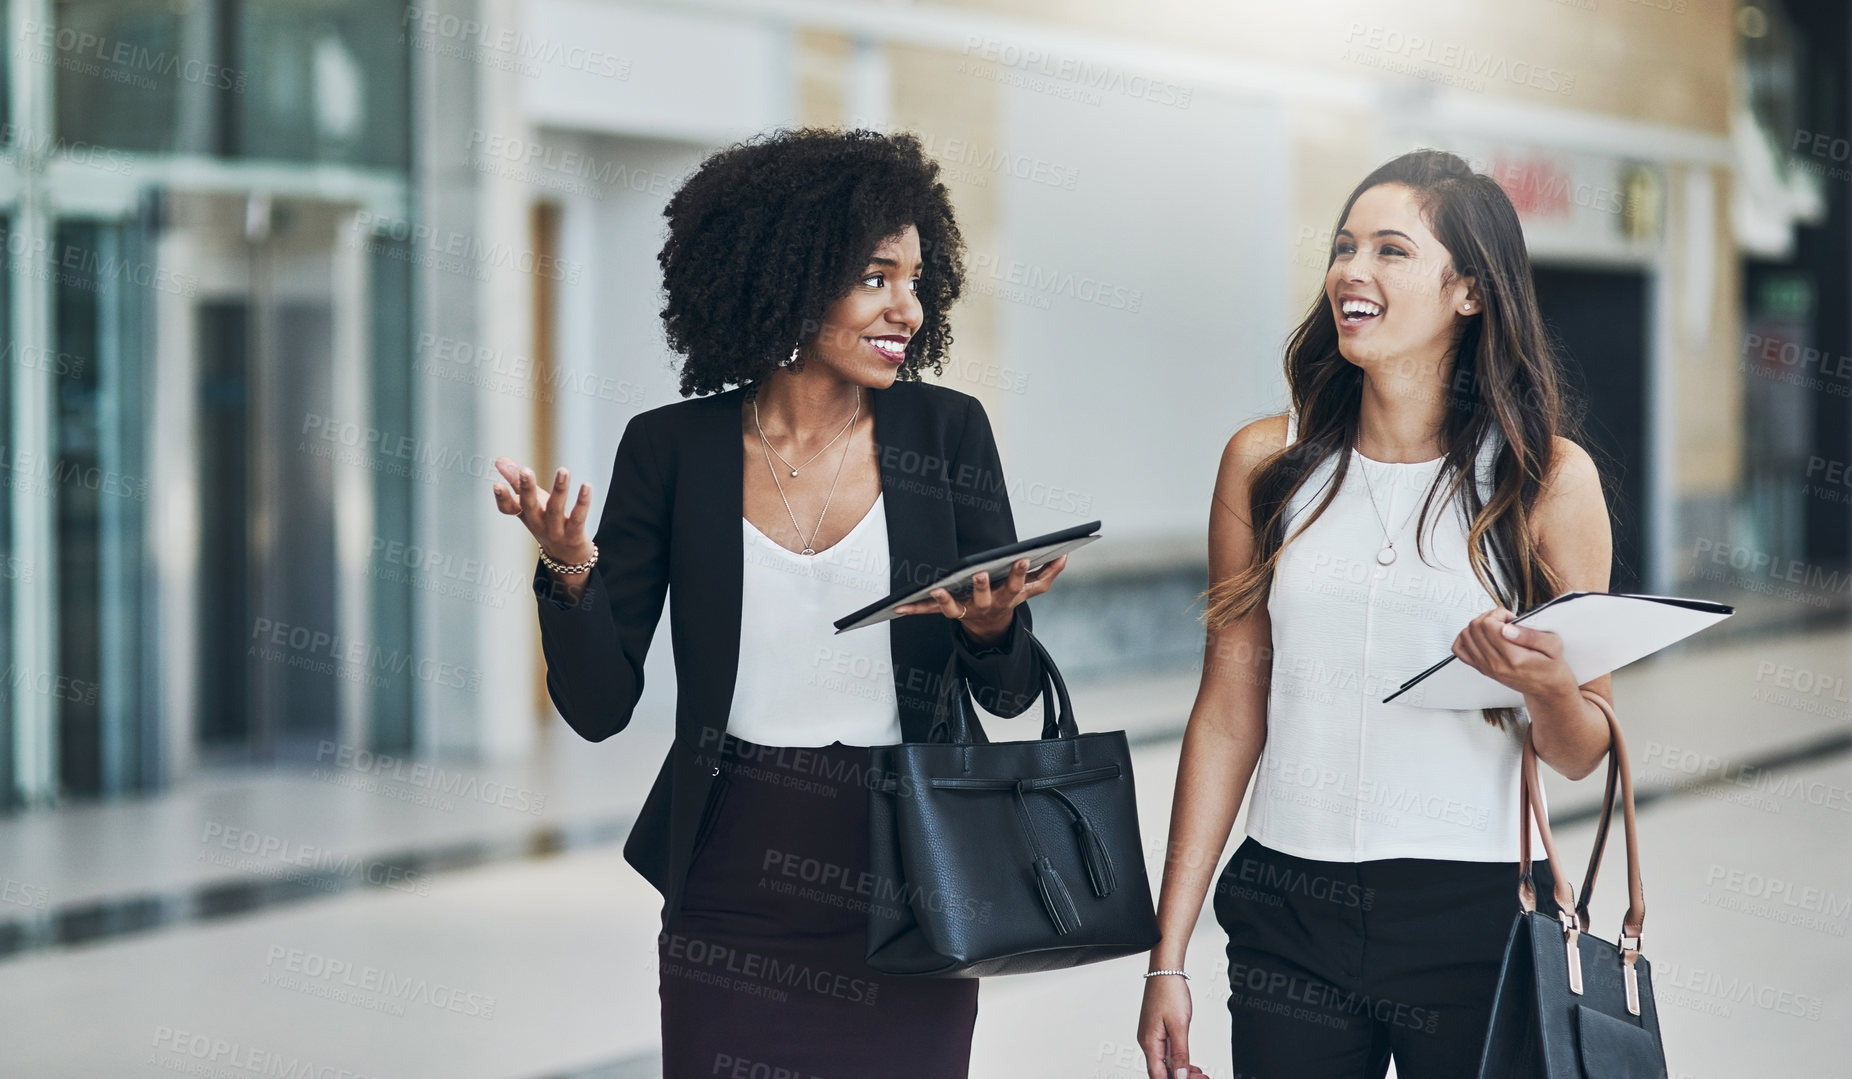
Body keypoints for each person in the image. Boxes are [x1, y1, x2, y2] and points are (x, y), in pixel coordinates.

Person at [491, 127, 1066, 1078]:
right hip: (733, 867)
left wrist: (993, 625)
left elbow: (1005, 696)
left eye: (918, 279)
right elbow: (598, 709)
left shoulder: (947, 432)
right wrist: (571, 571)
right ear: (794, 276)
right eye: (877, 277)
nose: (907, 308)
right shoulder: (672, 450)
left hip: (914, 863)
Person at [1137, 149, 1618, 1079]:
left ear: (1469, 291)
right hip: (1286, 907)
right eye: (1344, 246)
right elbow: (1230, 705)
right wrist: (1170, 950)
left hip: (1476, 912)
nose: (1353, 270)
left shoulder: (1548, 481)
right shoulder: (1266, 463)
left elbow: (1582, 745)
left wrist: (1546, 684)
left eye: (1391, 250)